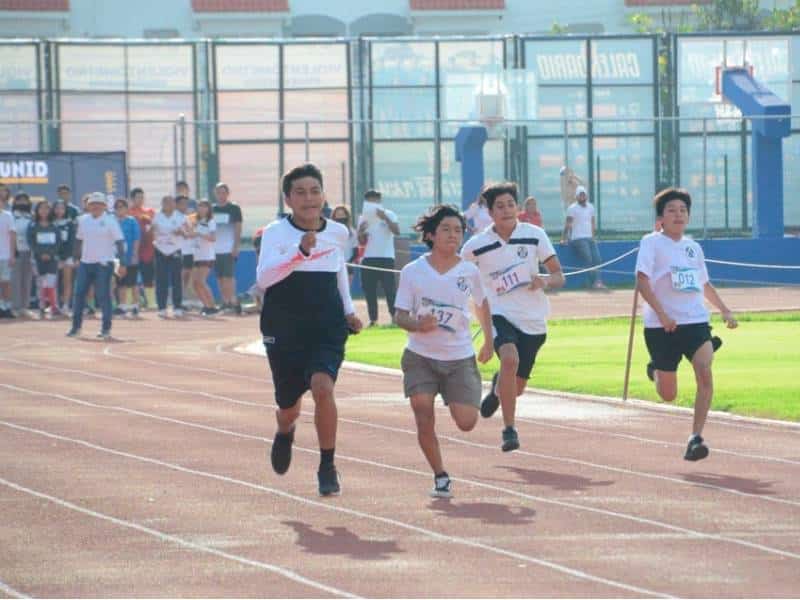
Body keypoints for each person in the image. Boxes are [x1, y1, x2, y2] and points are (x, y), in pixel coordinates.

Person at [257, 163, 362, 497]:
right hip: (284, 325)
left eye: (315, 191)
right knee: (289, 407)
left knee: (322, 387)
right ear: (288, 199)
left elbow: (338, 271)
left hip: (326, 324)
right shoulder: (275, 233)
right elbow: (264, 279)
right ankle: (285, 429)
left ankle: (327, 464)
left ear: (324, 195)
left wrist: (348, 309)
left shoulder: (338, 232)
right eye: (300, 192)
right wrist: (299, 252)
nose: (309, 198)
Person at [394, 205, 494, 498]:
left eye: (458, 230)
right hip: (420, 357)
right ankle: (440, 475)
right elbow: (400, 314)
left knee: (466, 422)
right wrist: (416, 325)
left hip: (459, 358)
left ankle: (470, 391)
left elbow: (482, 304)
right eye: (446, 229)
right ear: (431, 235)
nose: (453, 235)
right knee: (423, 413)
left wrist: (488, 341)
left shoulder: (469, 271)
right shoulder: (413, 272)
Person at [461, 182, 565, 452]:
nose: (506, 210)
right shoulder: (476, 246)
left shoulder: (534, 235)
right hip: (499, 313)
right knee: (509, 359)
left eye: (510, 205)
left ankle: (498, 390)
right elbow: (462, 279)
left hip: (533, 318)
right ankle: (509, 430)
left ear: (518, 208)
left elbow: (558, 275)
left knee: (515, 388)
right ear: (490, 212)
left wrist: (543, 280)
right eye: (500, 206)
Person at [635, 187, 736, 462]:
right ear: (661, 218)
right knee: (668, 394)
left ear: (688, 217)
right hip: (662, 326)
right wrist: (662, 314)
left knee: (704, 371)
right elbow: (642, 281)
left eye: (683, 211)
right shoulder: (651, 243)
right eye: (672, 210)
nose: (678, 215)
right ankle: (656, 369)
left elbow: (703, 284)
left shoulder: (694, 248)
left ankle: (696, 437)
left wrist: (725, 310)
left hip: (695, 320)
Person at [67, 192, 127, 339]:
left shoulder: (110, 221)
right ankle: (76, 328)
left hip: (104, 263)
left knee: (103, 296)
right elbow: (78, 240)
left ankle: (106, 329)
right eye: (92, 204)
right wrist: (76, 257)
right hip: (85, 263)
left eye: (99, 204)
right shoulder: (83, 220)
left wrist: (123, 263)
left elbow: (119, 242)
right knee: (79, 294)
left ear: (104, 206)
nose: (95, 207)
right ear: (88, 206)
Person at [357, 189, 399, 326]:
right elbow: (361, 242)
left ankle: (394, 318)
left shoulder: (389, 214)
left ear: (379, 201)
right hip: (369, 258)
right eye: (370, 201)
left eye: (375, 200)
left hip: (386, 257)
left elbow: (397, 231)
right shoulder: (363, 218)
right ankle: (373, 320)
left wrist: (385, 218)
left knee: (389, 289)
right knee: (370, 290)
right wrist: (361, 231)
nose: (373, 203)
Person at [561, 185, 606, 290]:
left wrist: (593, 237)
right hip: (577, 238)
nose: (582, 196)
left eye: (584, 194)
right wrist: (564, 238)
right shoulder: (572, 208)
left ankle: (595, 282)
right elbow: (568, 224)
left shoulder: (591, 207)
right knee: (589, 258)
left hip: (589, 238)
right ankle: (593, 283)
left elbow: (592, 223)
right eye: (580, 195)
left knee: (598, 259)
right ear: (576, 196)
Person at [152, 195, 186, 318]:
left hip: (175, 249)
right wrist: (151, 229)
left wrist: (181, 232)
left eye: (171, 202)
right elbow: (151, 230)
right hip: (160, 250)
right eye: (166, 202)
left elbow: (187, 233)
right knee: (161, 280)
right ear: (162, 204)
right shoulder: (156, 216)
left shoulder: (181, 217)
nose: (169, 205)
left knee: (176, 279)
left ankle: (177, 307)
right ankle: (162, 307)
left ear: (174, 204)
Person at [212, 182, 243, 314]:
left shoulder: (234, 208)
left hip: (228, 248)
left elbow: (238, 227)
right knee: (219, 277)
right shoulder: (211, 209)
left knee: (228, 277)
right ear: (215, 194)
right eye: (219, 193)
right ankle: (225, 302)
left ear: (227, 194)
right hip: (213, 250)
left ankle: (231, 301)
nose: (221, 195)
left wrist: (235, 246)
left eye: (223, 192)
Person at [28, 200, 62, 318]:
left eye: (46, 208)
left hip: (52, 259)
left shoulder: (54, 226)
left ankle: (53, 307)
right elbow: (31, 243)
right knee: (41, 283)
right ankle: (42, 307)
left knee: (51, 283)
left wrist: (50, 254)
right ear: (37, 210)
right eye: (41, 208)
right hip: (38, 259)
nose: (44, 211)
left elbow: (58, 243)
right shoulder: (33, 226)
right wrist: (40, 254)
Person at [113, 198, 141, 318]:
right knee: (121, 282)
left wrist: (135, 253)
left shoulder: (132, 221)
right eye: (117, 207)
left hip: (130, 256)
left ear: (126, 208)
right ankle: (123, 305)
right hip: (117, 257)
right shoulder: (113, 221)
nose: (120, 209)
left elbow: (136, 238)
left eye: (122, 207)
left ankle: (135, 305)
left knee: (133, 282)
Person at [129, 188, 156, 309]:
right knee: (130, 277)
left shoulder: (150, 211)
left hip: (147, 249)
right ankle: (130, 302)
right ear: (132, 199)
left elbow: (154, 227)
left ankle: (151, 302)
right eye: (138, 197)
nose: (140, 199)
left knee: (148, 276)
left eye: (142, 197)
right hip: (132, 249)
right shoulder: (128, 213)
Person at [190, 199, 218, 316]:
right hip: (197, 255)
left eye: (204, 206)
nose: (202, 209)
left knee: (201, 281)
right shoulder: (196, 221)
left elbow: (213, 238)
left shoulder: (210, 221)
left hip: (207, 256)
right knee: (195, 283)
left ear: (208, 209)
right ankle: (206, 306)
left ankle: (212, 306)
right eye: (200, 206)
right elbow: (191, 234)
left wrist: (199, 234)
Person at [10, 193, 33, 317]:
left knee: (27, 280)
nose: (22, 203)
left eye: (25, 200)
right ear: (15, 203)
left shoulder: (32, 217)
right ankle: (15, 307)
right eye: (20, 200)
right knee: (15, 280)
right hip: (16, 251)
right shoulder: (11, 216)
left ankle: (25, 307)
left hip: (29, 252)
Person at [53, 200, 76, 314]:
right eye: (57, 208)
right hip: (53, 257)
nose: (59, 210)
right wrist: (56, 256)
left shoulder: (70, 223)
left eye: (62, 208)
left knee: (67, 281)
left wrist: (64, 257)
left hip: (67, 257)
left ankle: (66, 305)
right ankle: (55, 305)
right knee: (53, 282)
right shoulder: (50, 223)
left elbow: (72, 242)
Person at [176, 195, 196, 310]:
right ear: (177, 205)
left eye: (186, 204)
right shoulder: (174, 217)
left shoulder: (187, 218)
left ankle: (186, 299)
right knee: (181, 276)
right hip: (179, 251)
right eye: (182, 203)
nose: (184, 206)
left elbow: (190, 232)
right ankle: (180, 300)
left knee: (188, 275)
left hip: (189, 250)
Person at [331, 205, 358, 286]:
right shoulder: (330, 231)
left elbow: (356, 252)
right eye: (338, 215)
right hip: (333, 265)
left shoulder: (353, 232)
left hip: (348, 266)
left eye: (342, 215)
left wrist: (348, 262)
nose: (340, 218)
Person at [0, 189, 16, 319]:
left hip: (5, 255)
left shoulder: (8, 216)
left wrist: (12, 255)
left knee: (6, 282)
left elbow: (12, 236)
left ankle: (7, 306)